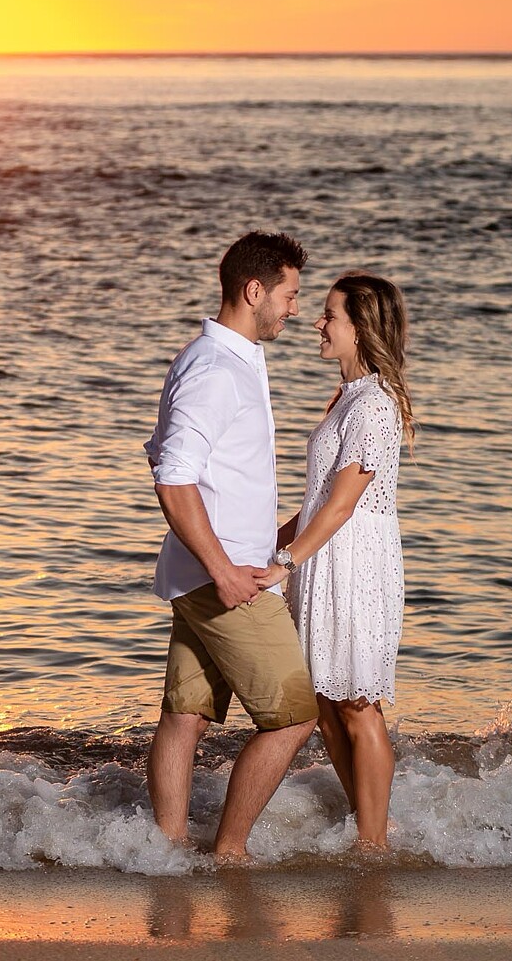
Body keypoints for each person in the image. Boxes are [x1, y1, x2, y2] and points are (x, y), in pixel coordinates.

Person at [144, 232, 318, 858]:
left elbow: (211, 473)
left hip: (209, 571)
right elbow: (172, 471)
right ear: (255, 291)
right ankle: (230, 854)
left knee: (185, 715)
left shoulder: (229, 359)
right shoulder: (216, 369)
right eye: (290, 295)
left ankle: (164, 852)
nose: (296, 309)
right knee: (296, 717)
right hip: (227, 581)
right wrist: (222, 567)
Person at [257, 272, 414, 850]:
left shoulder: (374, 404)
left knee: (356, 703)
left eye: (331, 316)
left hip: (355, 565)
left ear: (361, 329)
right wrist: (266, 545)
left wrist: (285, 563)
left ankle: (374, 843)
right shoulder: (346, 398)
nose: (318, 324)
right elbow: (320, 498)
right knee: (324, 705)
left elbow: (345, 502)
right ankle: (366, 820)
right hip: (323, 555)